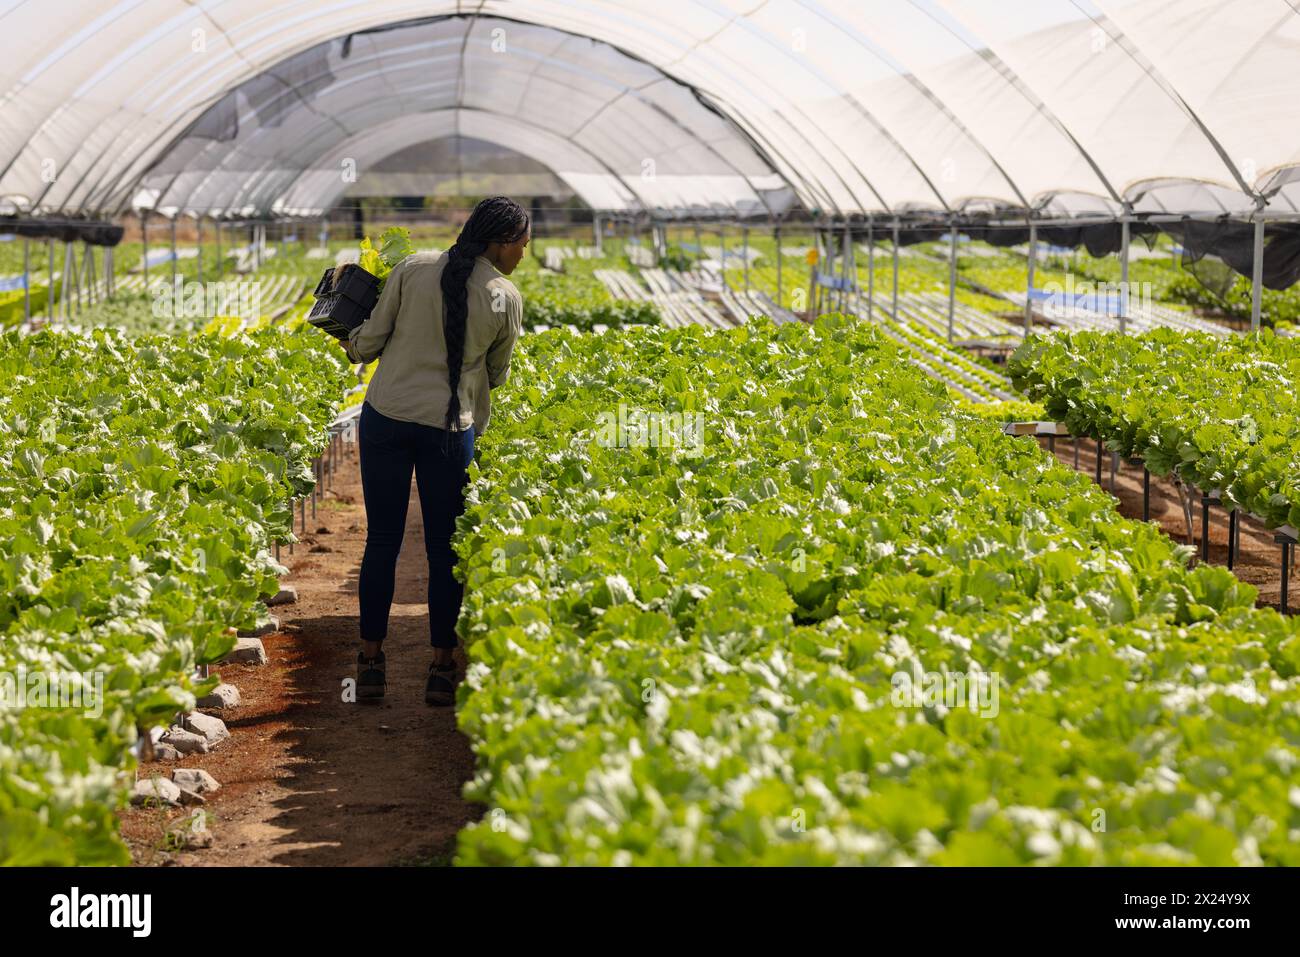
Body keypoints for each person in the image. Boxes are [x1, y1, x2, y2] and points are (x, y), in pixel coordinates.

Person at [340, 196, 529, 705]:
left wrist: (347, 335)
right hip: (450, 428)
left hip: (386, 417)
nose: (523, 254)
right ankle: (441, 670)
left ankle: (371, 662)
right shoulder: (503, 296)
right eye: (522, 244)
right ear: (500, 243)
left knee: (383, 540)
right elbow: (496, 374)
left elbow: (369, 343)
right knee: (445, 548)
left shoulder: (412, 268)